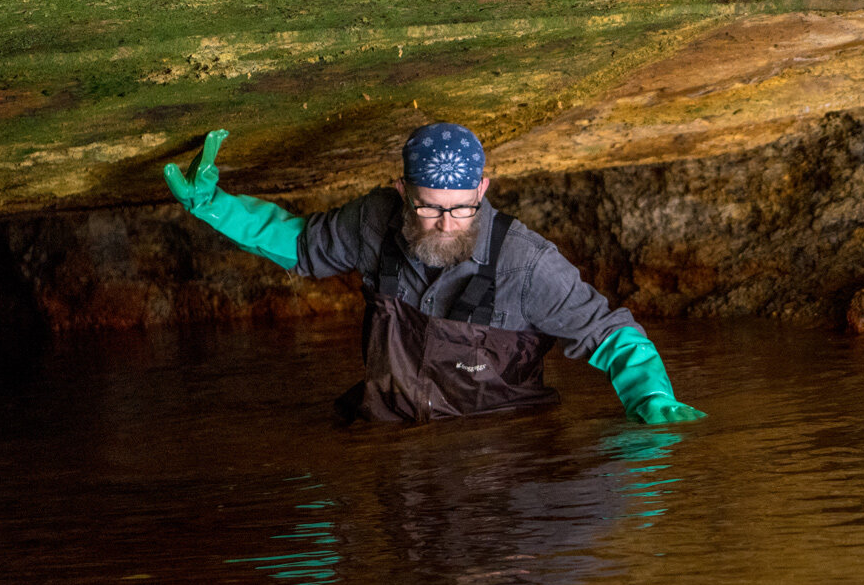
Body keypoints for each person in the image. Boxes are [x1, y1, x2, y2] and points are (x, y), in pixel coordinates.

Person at [162, 123, 704, 425]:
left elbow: (610, 333)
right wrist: (216, 207)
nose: (446, 224)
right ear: (402, 192)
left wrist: (650, 398)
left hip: (500, 441)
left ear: (483, 190)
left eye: (462, 208)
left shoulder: (527, 262)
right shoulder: (373, 220)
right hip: (391, 427)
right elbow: (301, 243)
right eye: (428, 208)